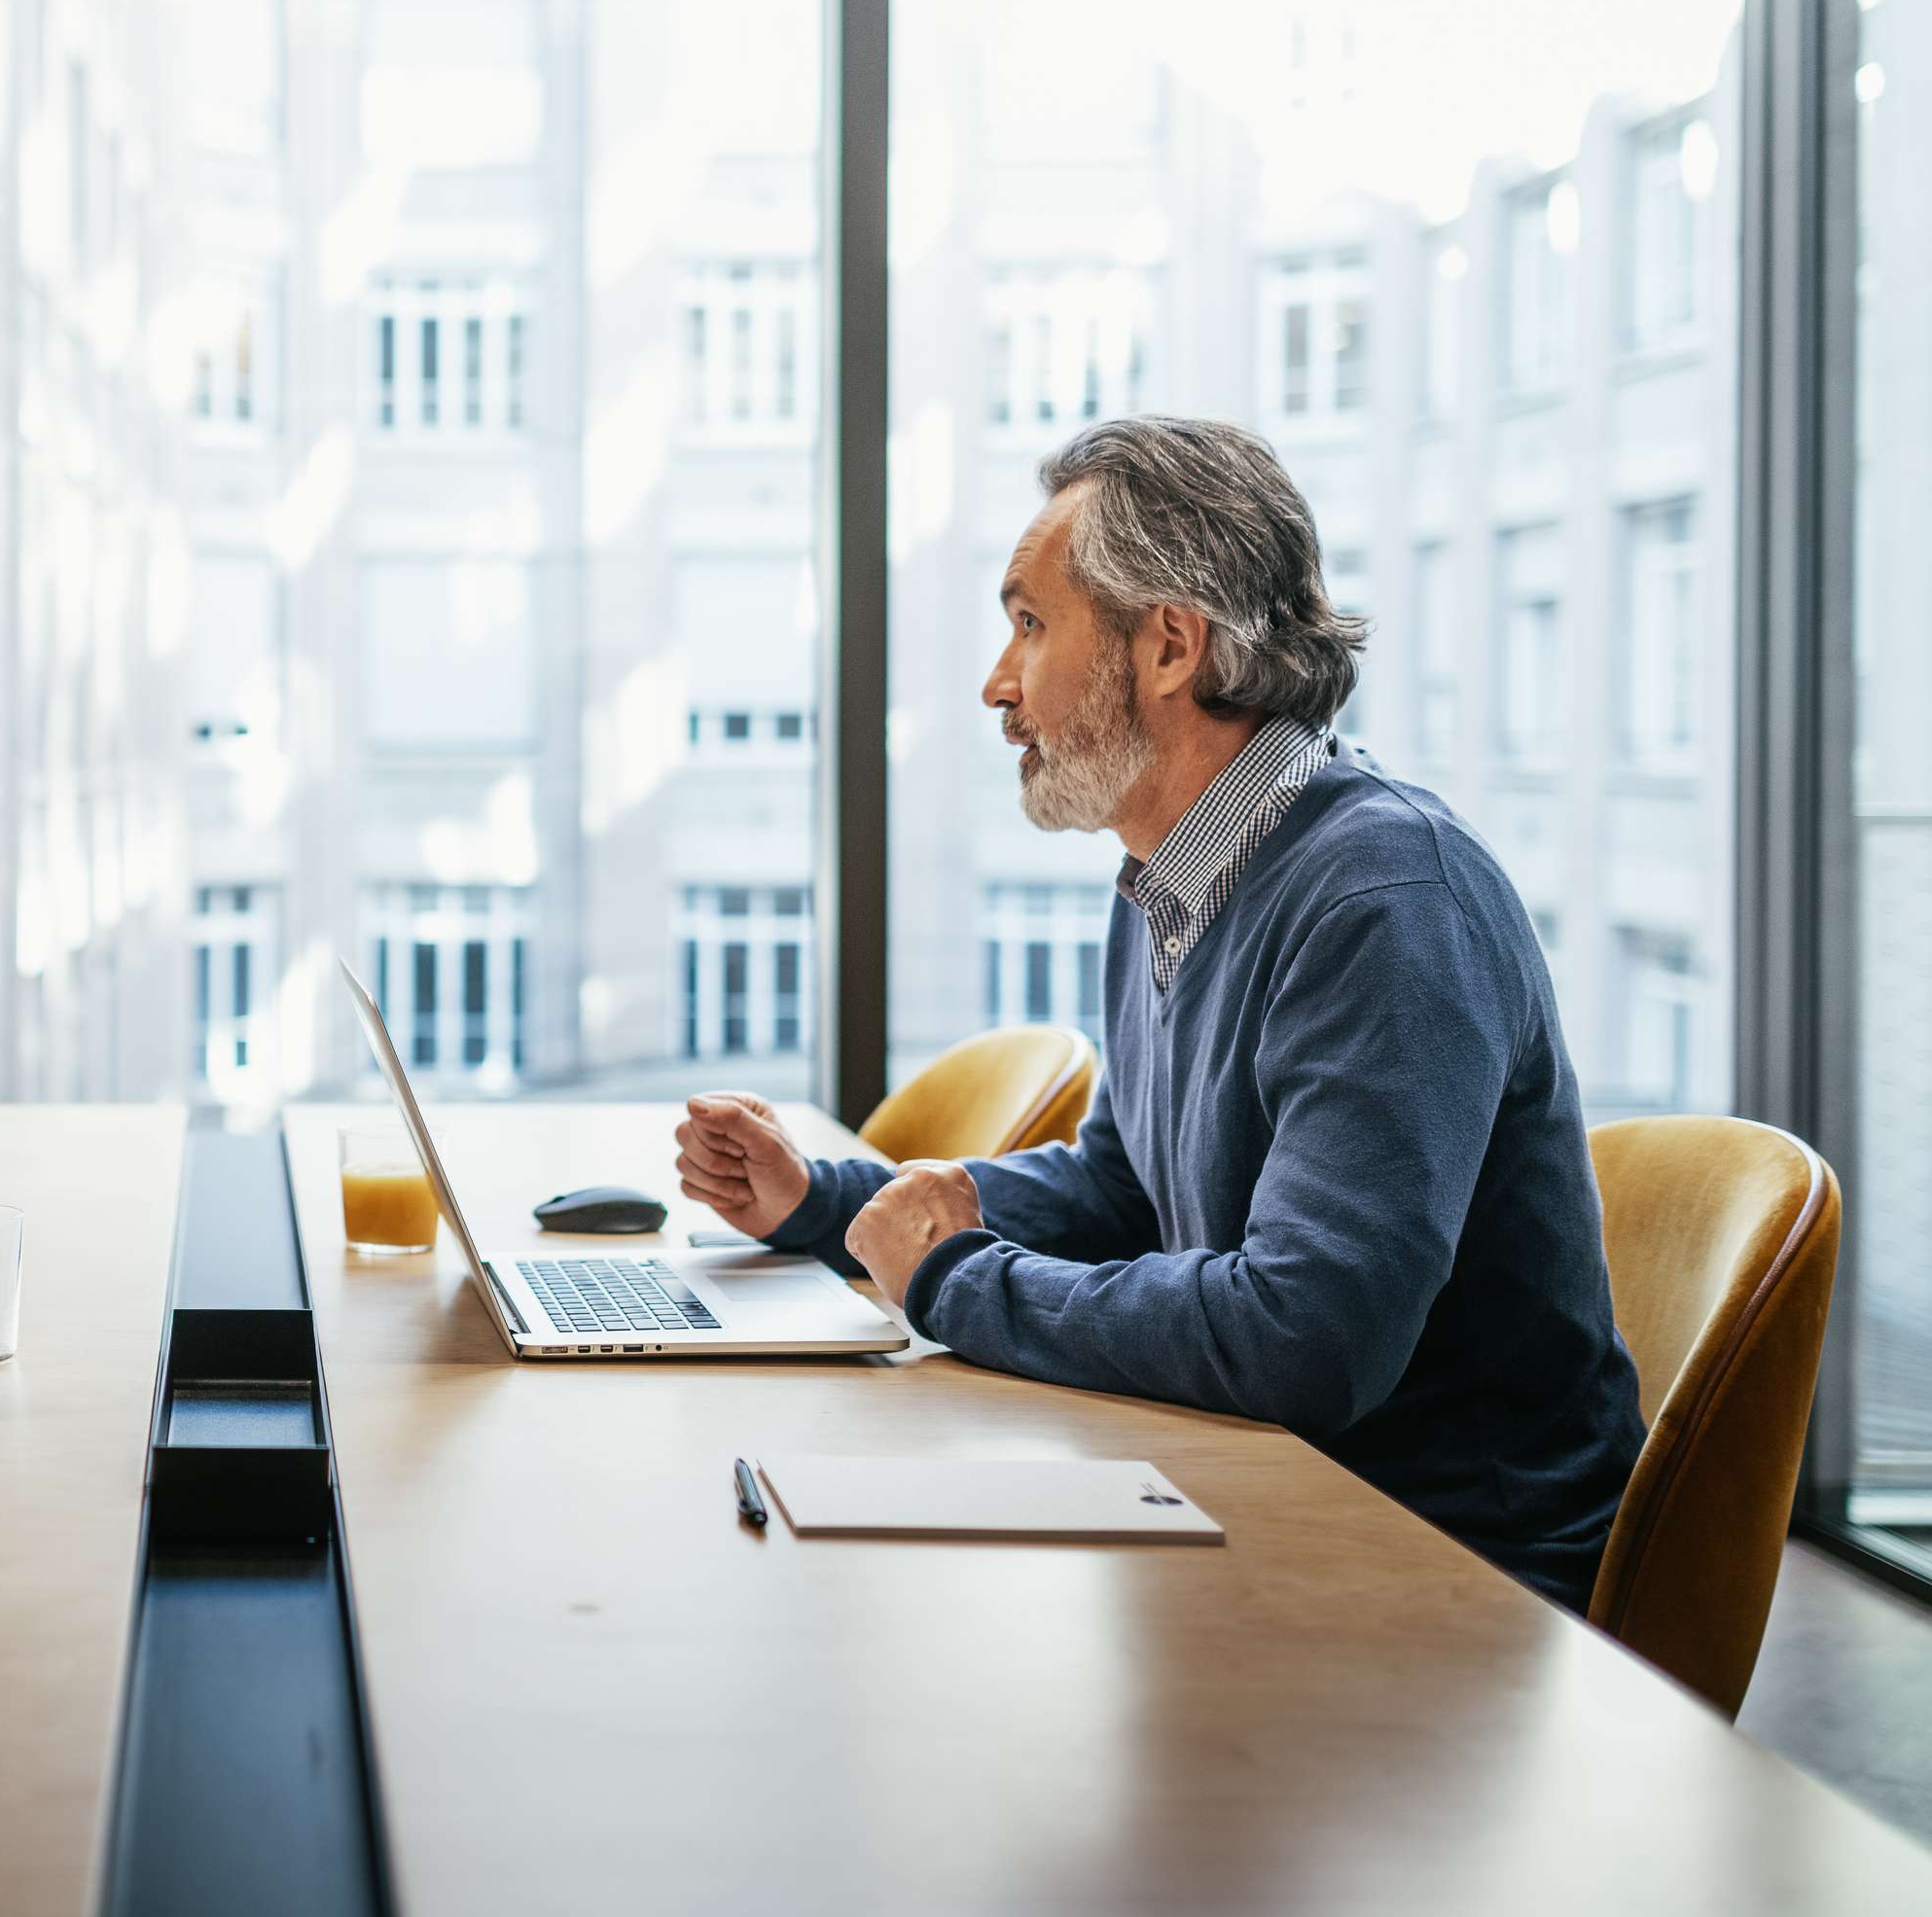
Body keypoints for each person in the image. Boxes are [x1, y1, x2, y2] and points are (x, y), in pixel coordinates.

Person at [677, 417, 1644, 1609]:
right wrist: (829, 1208)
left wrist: (955, 1281)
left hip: (1443, 1578)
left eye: (1030, 624)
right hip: (1264, 1501)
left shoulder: (1386, 902)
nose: (997, 683)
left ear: (1170, 646)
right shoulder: (1167, 880)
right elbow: (1124, 1195)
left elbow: (1308, 1337)